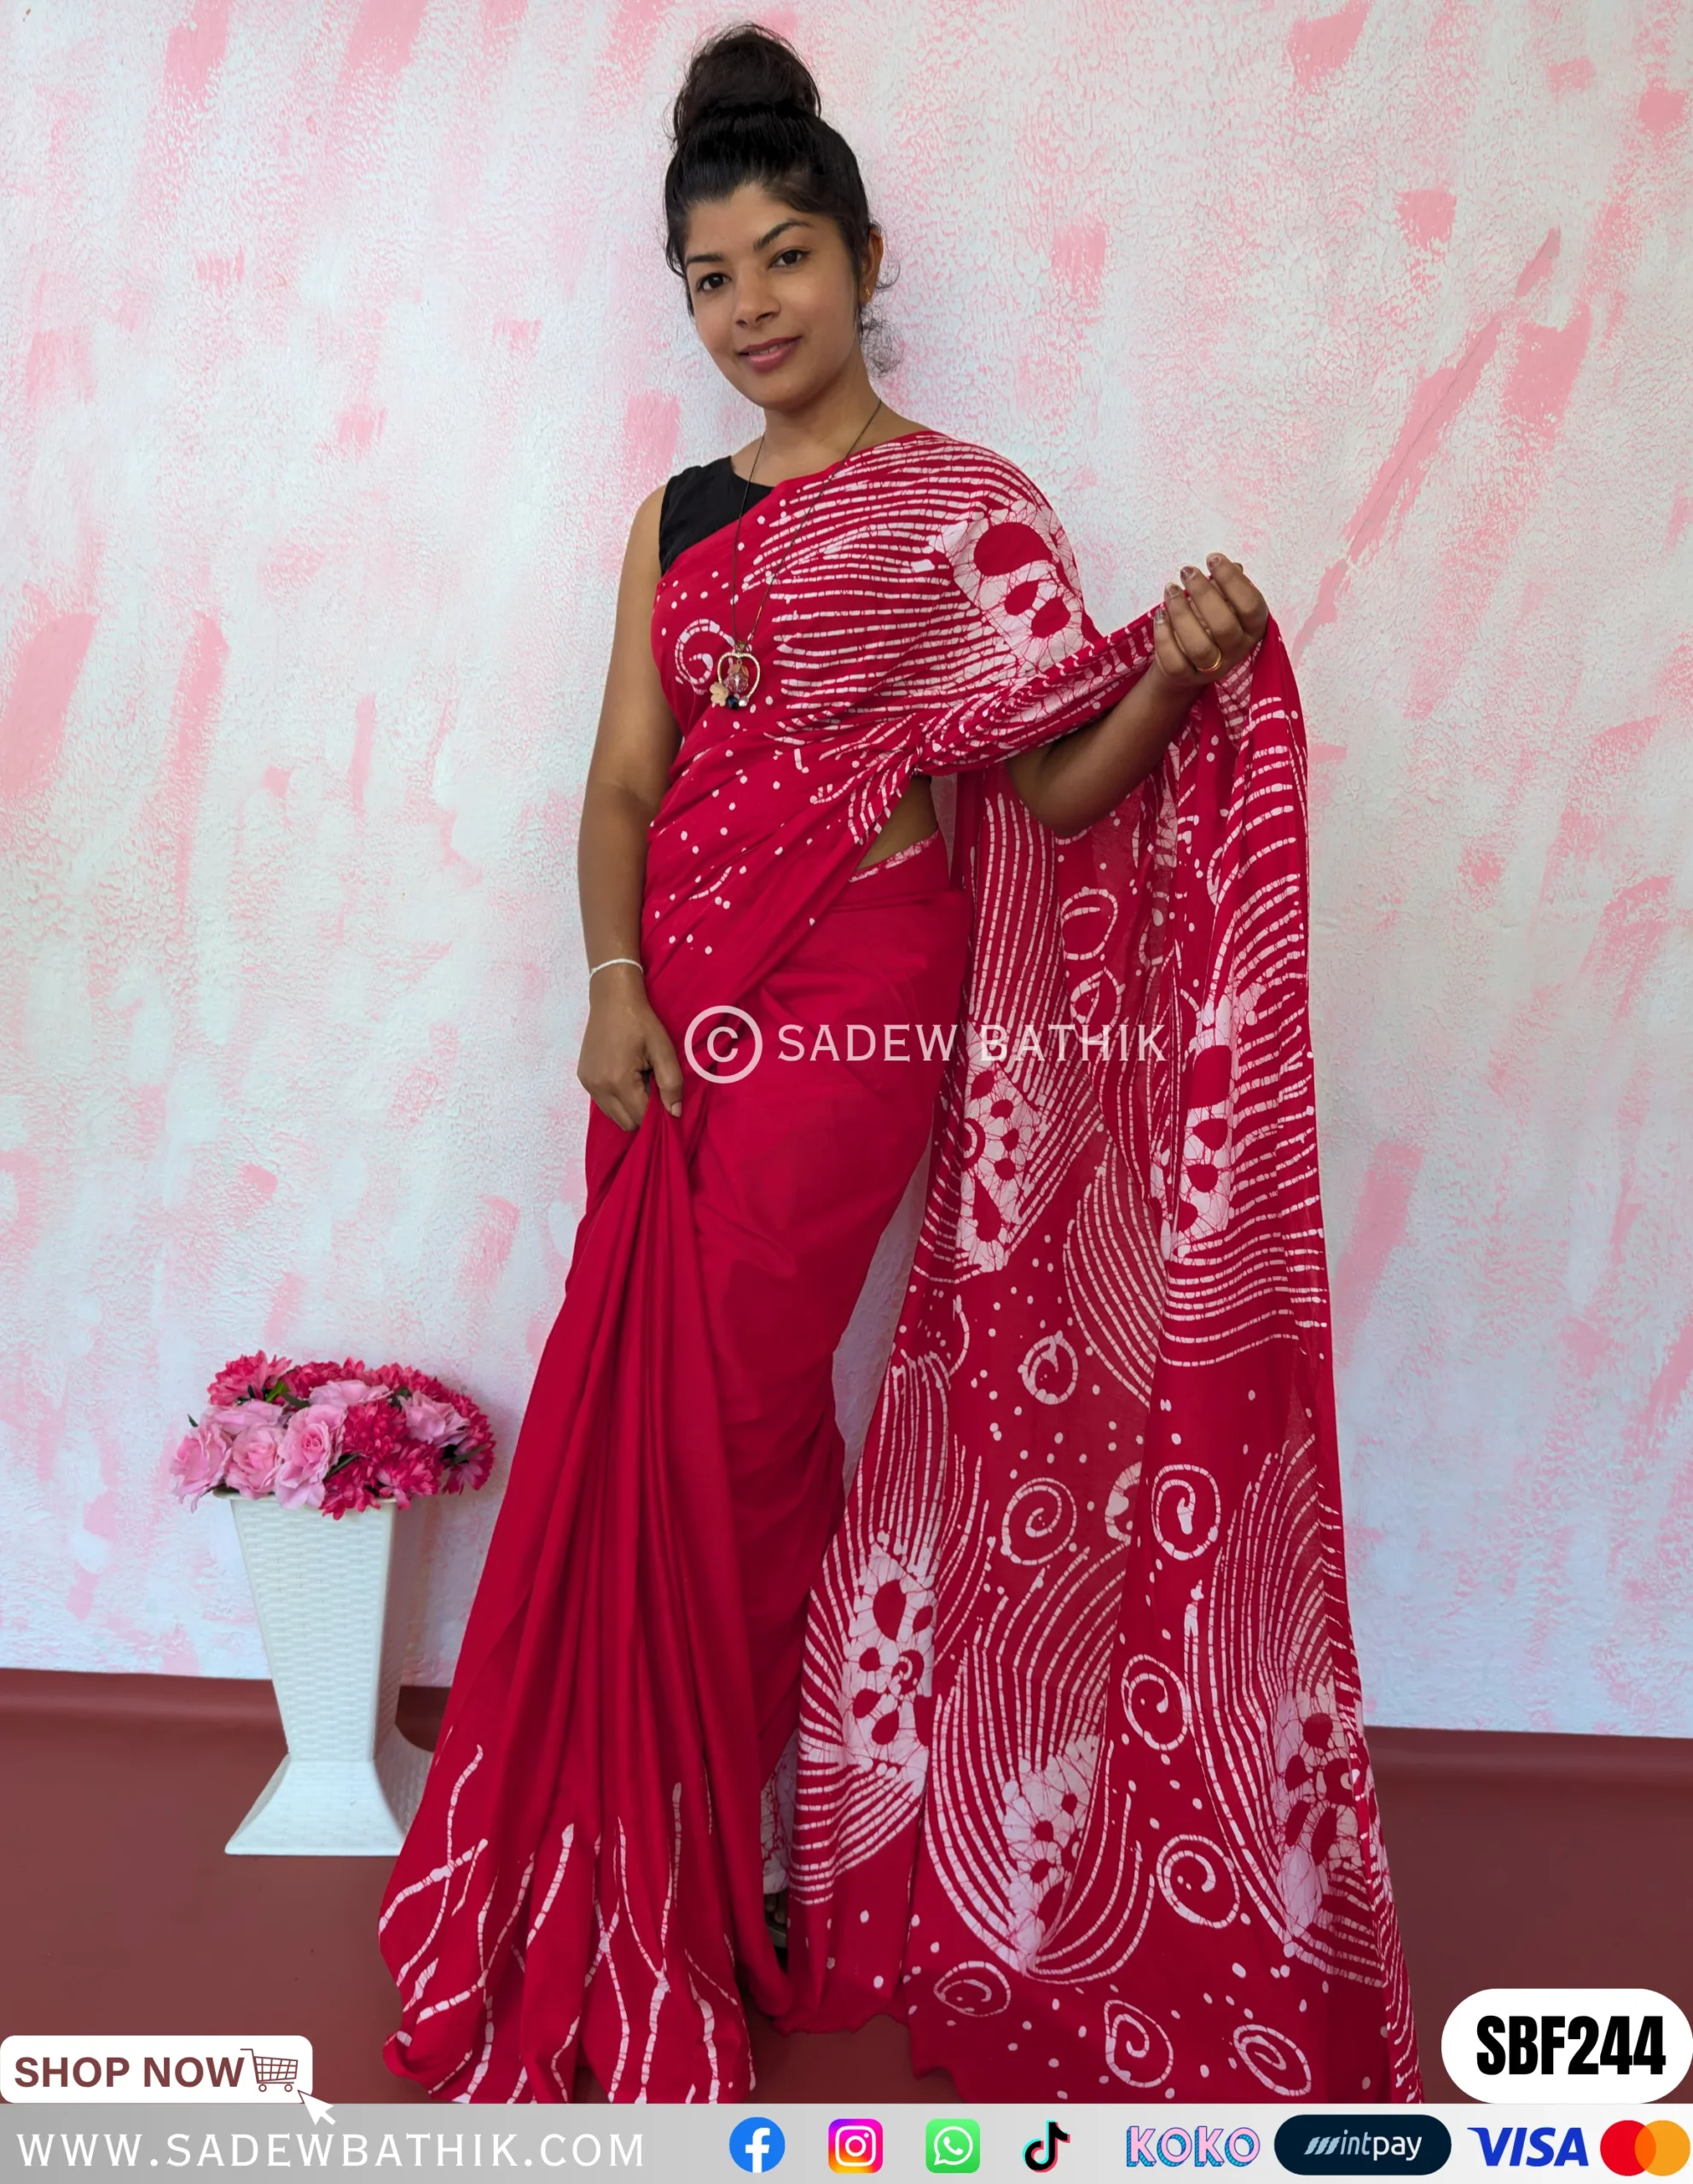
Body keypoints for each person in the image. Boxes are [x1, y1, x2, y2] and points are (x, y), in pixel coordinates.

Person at [377, 23, 1421, 2107]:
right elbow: (620, 784)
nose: (750, 306)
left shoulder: (969, 508)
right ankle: (708, 1834)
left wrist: (1172, 675)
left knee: (730, 1405)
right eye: (710, 277)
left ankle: (719, 1836)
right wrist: (608, 978)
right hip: (669, 1007)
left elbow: (1052, 784)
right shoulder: (674, 517)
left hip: (859, 991)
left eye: (785, 257)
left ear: (865, 259)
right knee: (677, 1415)